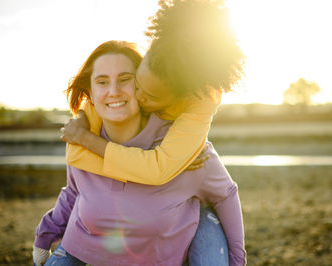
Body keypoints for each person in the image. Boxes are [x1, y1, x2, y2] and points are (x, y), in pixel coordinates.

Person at [33, 40, 246, 265]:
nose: (114, 91)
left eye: (126, 79)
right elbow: (74, 193)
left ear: (142, 85)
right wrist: (44, 237)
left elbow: (225, 194)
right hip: (83, 251)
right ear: (91, 94)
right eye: (102, 82)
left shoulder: (183, 151)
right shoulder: (80, 140)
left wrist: (237, 260)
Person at [60, 0, 245, 186]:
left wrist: (174, 164)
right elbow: (76, 154)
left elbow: (157, 171)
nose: (138, 96)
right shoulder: (157, 61)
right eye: (137, 84)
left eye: (150, 96)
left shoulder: (202, 101)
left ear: (179, 97)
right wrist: (83, 118)